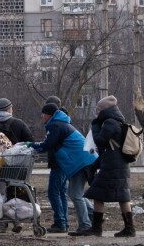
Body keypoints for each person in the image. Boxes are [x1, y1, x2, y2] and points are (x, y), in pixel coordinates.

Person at [27, 102, 97, 236]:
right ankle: (94, 218)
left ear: (49, 114)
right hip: (86, 159)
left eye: (43, 113)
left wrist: (30, 145)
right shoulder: (61, 123)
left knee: (75, 194)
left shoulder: (55, 125)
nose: (41, 116)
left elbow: (48, 144)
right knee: (77, 193)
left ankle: (85, 225)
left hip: (81, 161)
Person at [82, 95, 136, 237]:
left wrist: (94, 125)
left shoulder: (110, 123)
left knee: (98, 193)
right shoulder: (117, 121)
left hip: (112, 165)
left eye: (98, 110)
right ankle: (129, 228)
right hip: (119, 164)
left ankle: (96, 228)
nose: (96, 113)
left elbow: (100, 141)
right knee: (122, 196)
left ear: (105, 110)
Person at [0, 97, 34, 233]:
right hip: (16, 167)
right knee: (16, 191)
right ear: (9, 109)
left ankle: (1, 223)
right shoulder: (19, 124)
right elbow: (30, 142)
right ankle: (17, 220)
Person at [43, 96, 69, 233]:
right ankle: (64, 222)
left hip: (59, 162)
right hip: (64, 162)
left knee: (53, 192)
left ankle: (60, 222)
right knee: (61, 192)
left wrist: (36, 146)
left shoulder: (56, 124)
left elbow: (49, 143)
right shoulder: (64, 120)